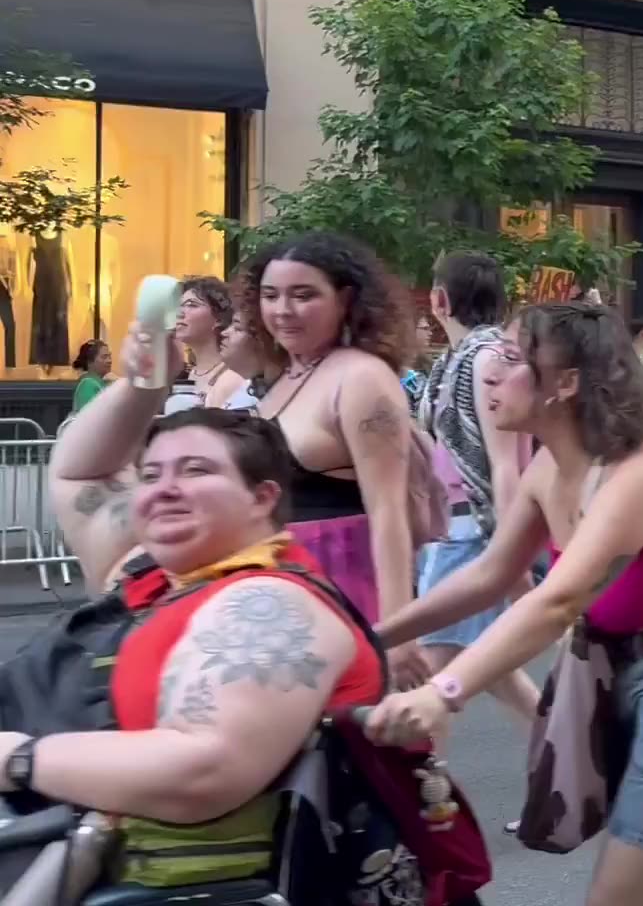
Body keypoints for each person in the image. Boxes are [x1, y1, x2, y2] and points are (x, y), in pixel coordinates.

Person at [366, 303, 643, 906]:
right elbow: (488, 577)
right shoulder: (549, 467)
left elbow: (558, 601)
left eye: (510, 359)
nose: (490, 375)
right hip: (623, 672)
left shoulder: (641, 473)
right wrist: (375, 634)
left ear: (567, 382)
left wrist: (444, 691)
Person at [8, 327, 380, 849]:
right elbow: (80, 473)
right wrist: (144, 383)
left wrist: (17, 759)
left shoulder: (271, 602)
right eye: (152, 474)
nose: (165, 490)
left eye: (196, 470)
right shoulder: (145, 573)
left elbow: (203, 772)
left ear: (262, 498)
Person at [236, 231, 426, 681]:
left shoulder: (362, 378)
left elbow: (388, 509)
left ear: (345, 300)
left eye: (304, 296)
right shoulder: (288, 375)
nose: (283, 310)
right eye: (270, 295)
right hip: (278, 582)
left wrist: (398, 631)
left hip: (343, 579)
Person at [415, 252, 541, 728]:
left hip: (473, 530)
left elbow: (504, 464)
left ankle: (426, 792)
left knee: (432, 671)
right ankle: (575, 750)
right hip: (453, 530)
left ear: (440, 299)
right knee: (489, 669)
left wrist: (512, 551)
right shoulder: (456, 359)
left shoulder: (487, 358)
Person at [176, 275, 244, 409]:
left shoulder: (234, 377)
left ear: (219, 318)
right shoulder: (182, 374)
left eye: (192, 305)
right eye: (179, 306)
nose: (179, 313)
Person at [69, 339, 112, 414]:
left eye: (109, 356)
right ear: (89, 362)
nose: (109, 360)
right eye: (104, 357)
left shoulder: (101, 382)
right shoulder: (87, 385)